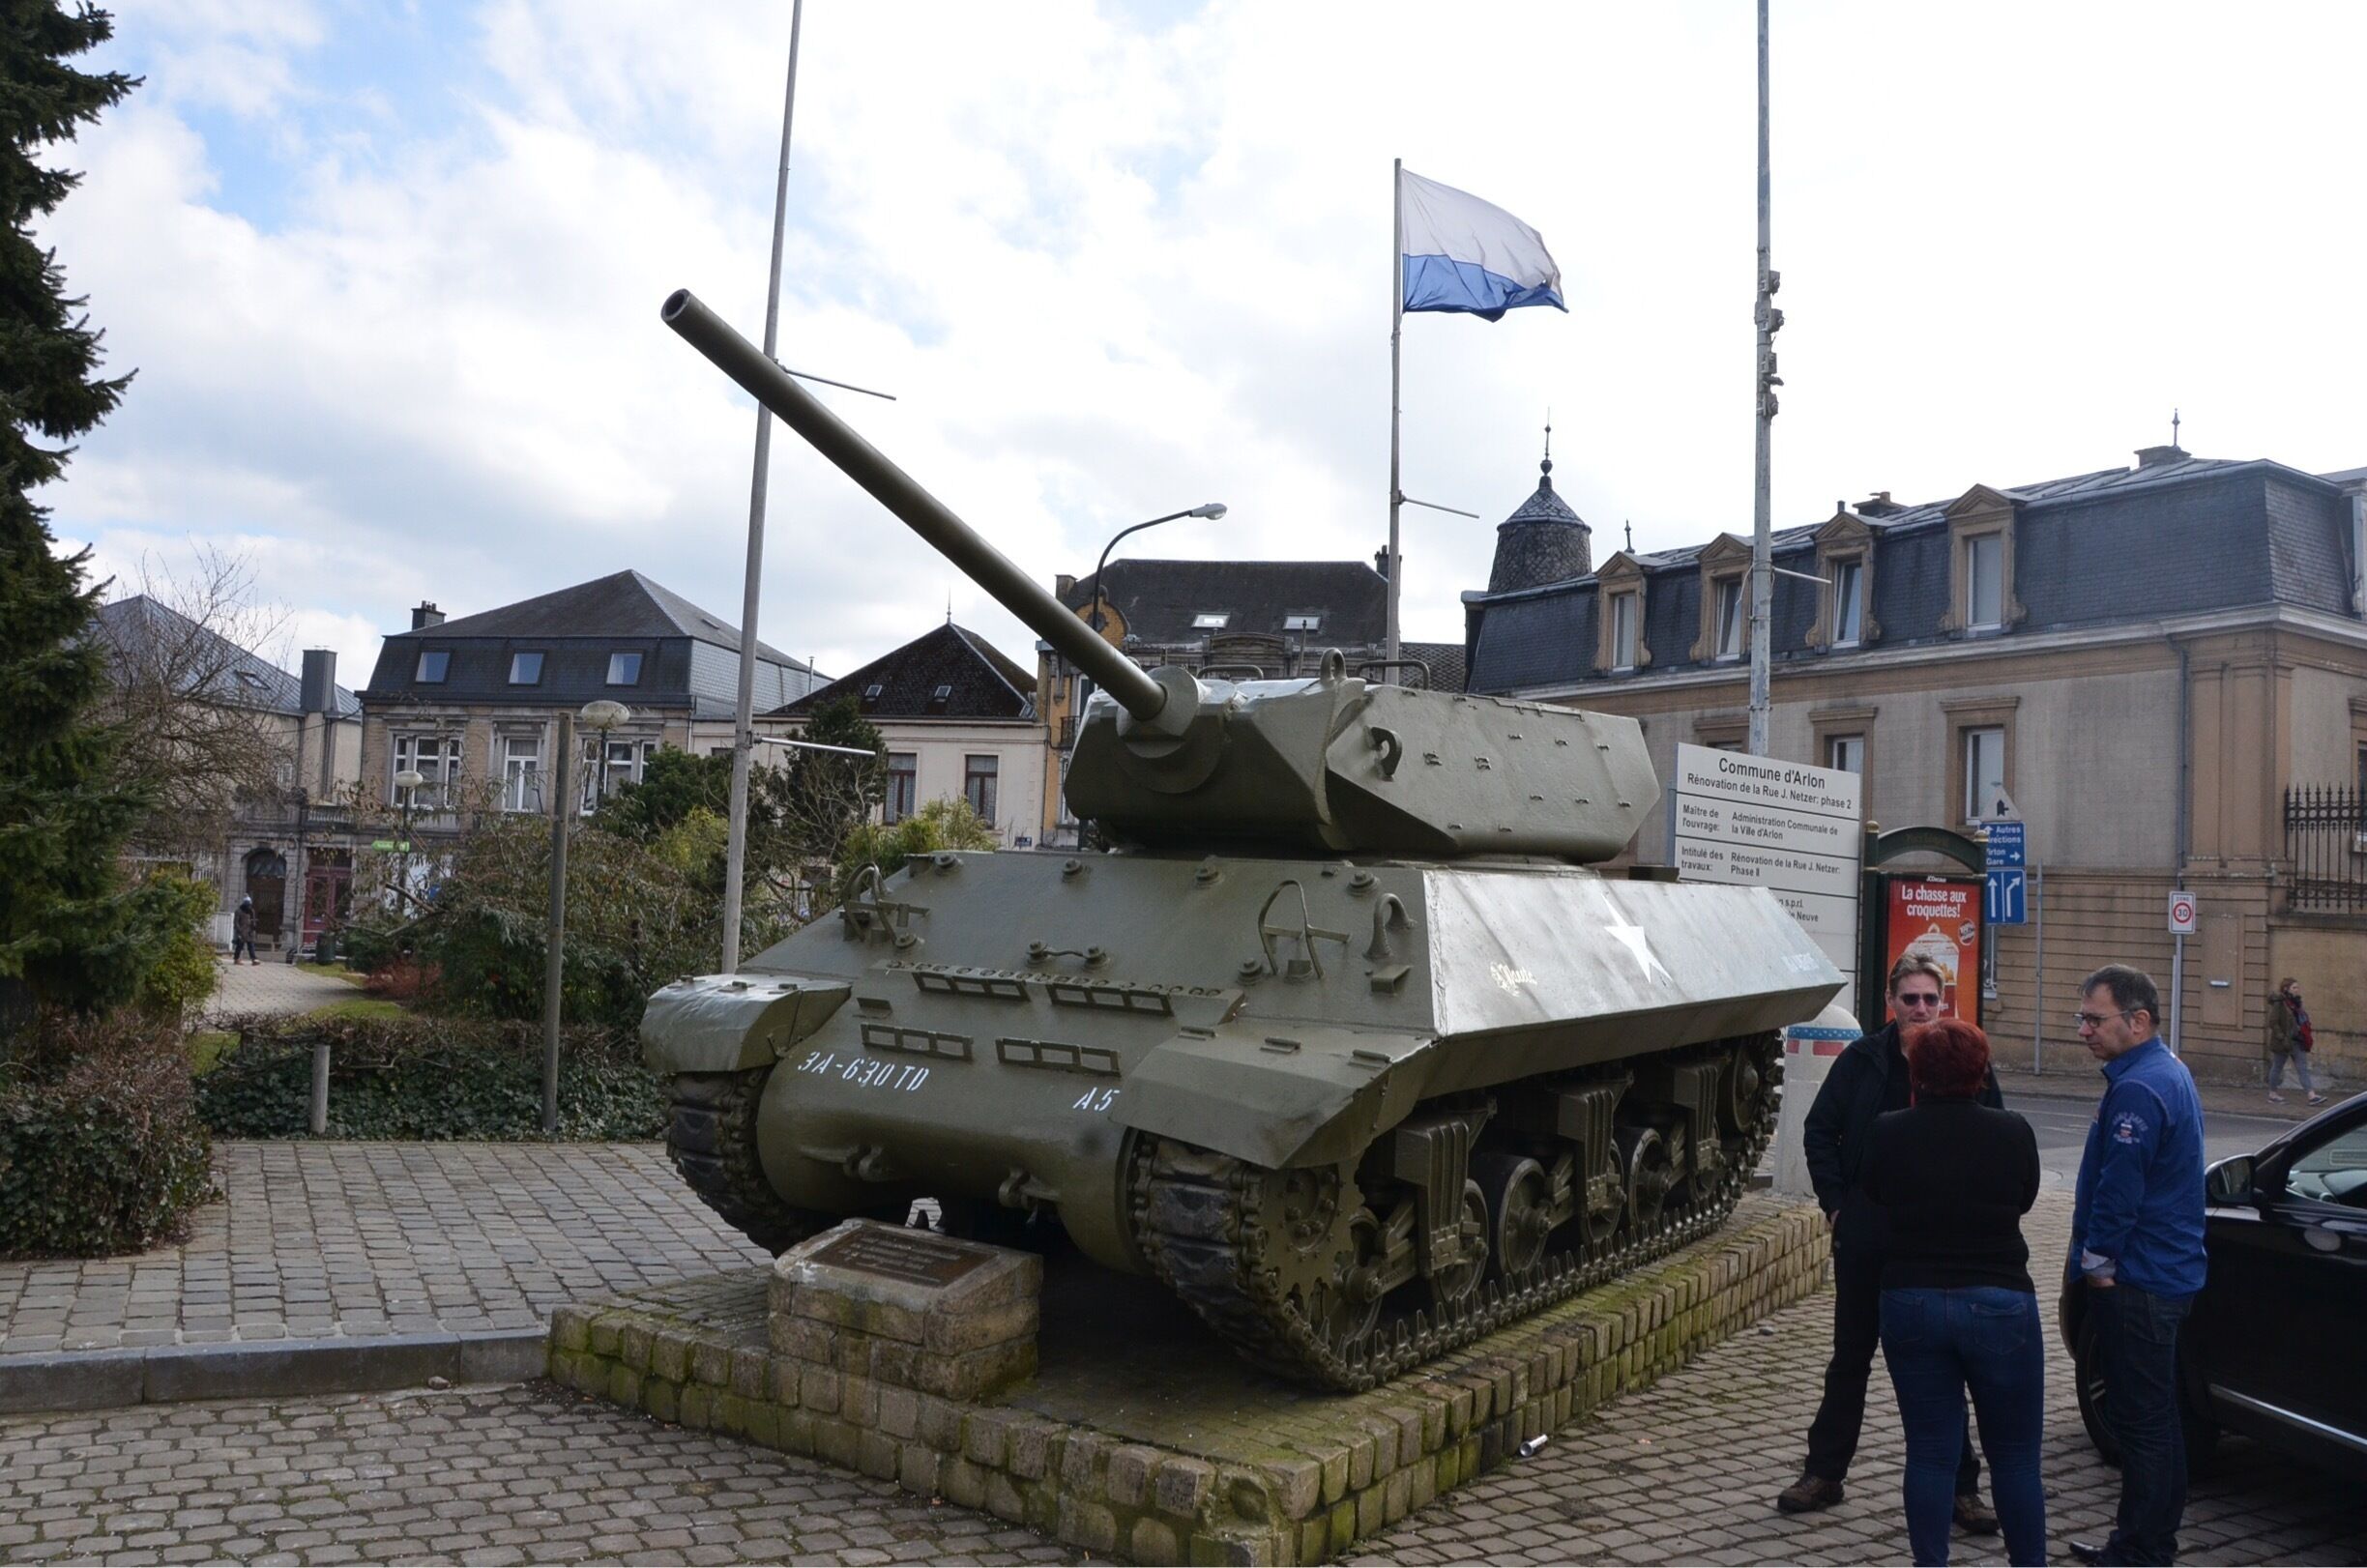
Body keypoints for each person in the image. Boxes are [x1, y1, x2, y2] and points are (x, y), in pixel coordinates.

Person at [1777, 954, 2002, 1536]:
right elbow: (1820, 1131)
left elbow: (1994, 1132)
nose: (1922, 1010)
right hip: (1868, 1235)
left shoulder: (1964, 1058)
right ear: (1891, 1003)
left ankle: (1961, 1488)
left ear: (1943, 1002)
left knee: (1942, 1368)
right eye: (1911, 999)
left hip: (1937, 1241)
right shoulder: (1864, 1060)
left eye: (1931, 999)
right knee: (1850, 1358)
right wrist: (1836, 1204)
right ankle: (1824, 1472)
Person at [1866, 1017, 2045, 1566]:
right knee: (2014, 1459)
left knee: (1929, 1453)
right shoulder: (2013, 1130)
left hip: (1911, 1298)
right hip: (1999, 1299)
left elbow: (1876, 1194)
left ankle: (1930, 1563)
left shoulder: (1887, 1131)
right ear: (1980, 1074)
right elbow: (2025, 1199)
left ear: (1916, 1074)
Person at [2066, 965, 2206, 1568]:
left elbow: (2118, 1191)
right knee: (2159, 1418)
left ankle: (2142, 1550)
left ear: (2138, 1021)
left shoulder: (2139, 1089)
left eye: (2095, 1020)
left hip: (2139, 1280)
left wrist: (2097, 1265)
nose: (2084, 1031)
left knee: (2143, 1424)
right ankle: (2148, 1541)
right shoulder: (2166, 1072)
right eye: (2083, 1019)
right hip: (2165, 1275)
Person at [2264, 977, 2323, 1107]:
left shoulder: (2297, 1003)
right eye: (2294, 988)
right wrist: (2282, 1037)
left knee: (2302, 1068)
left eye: (2297, 987)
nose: (2297, 990)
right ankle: (2272, 1094)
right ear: (2286, 989)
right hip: (2284, 1042)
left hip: (2297, 1040)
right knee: (2277, 1067)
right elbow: (2273, 1022)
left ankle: (2311, 1096)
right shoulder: (2280, 1003)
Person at [231, 895, 260, 965]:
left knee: (251, 946)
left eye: (249, 904)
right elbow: (236, 922)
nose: (248, 906)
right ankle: (236, 959)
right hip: (242, 931)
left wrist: (254, 926)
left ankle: (254, 959)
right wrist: (239, 931)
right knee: (240, 946)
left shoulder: (251, 911)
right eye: (247, 904)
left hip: (249, 932)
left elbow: (253, 921)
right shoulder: (238, 911)